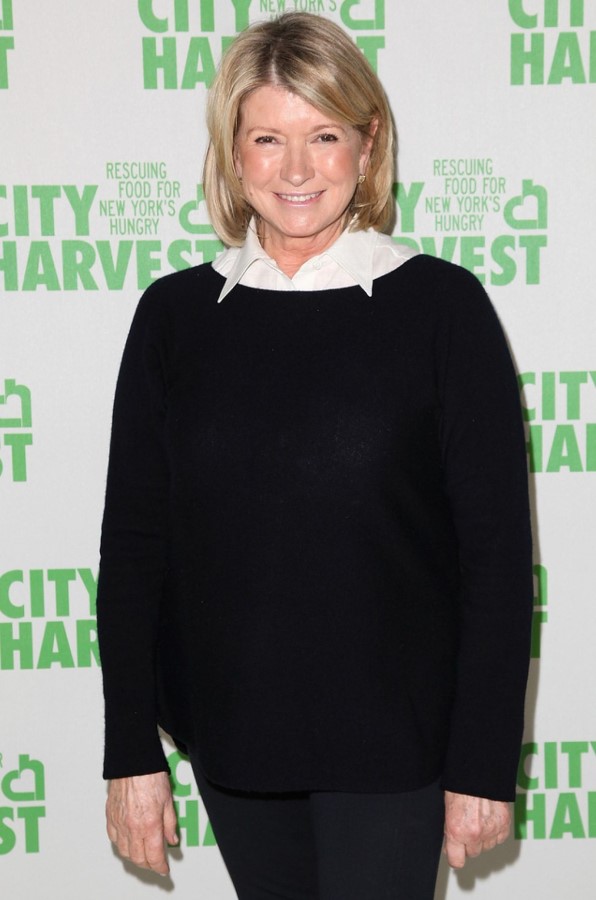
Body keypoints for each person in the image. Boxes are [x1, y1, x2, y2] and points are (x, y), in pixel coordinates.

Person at [97, 12, 533, 899]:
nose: (296, 169)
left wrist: (484, 764)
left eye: (324, 135)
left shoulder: (442, 310)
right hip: (236, 741)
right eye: (268, 138)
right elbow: (135, 549)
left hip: (398, 746)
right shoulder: (174, 319)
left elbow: (494, 560)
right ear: (234, 153)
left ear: (367, 147)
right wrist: (129, 750)